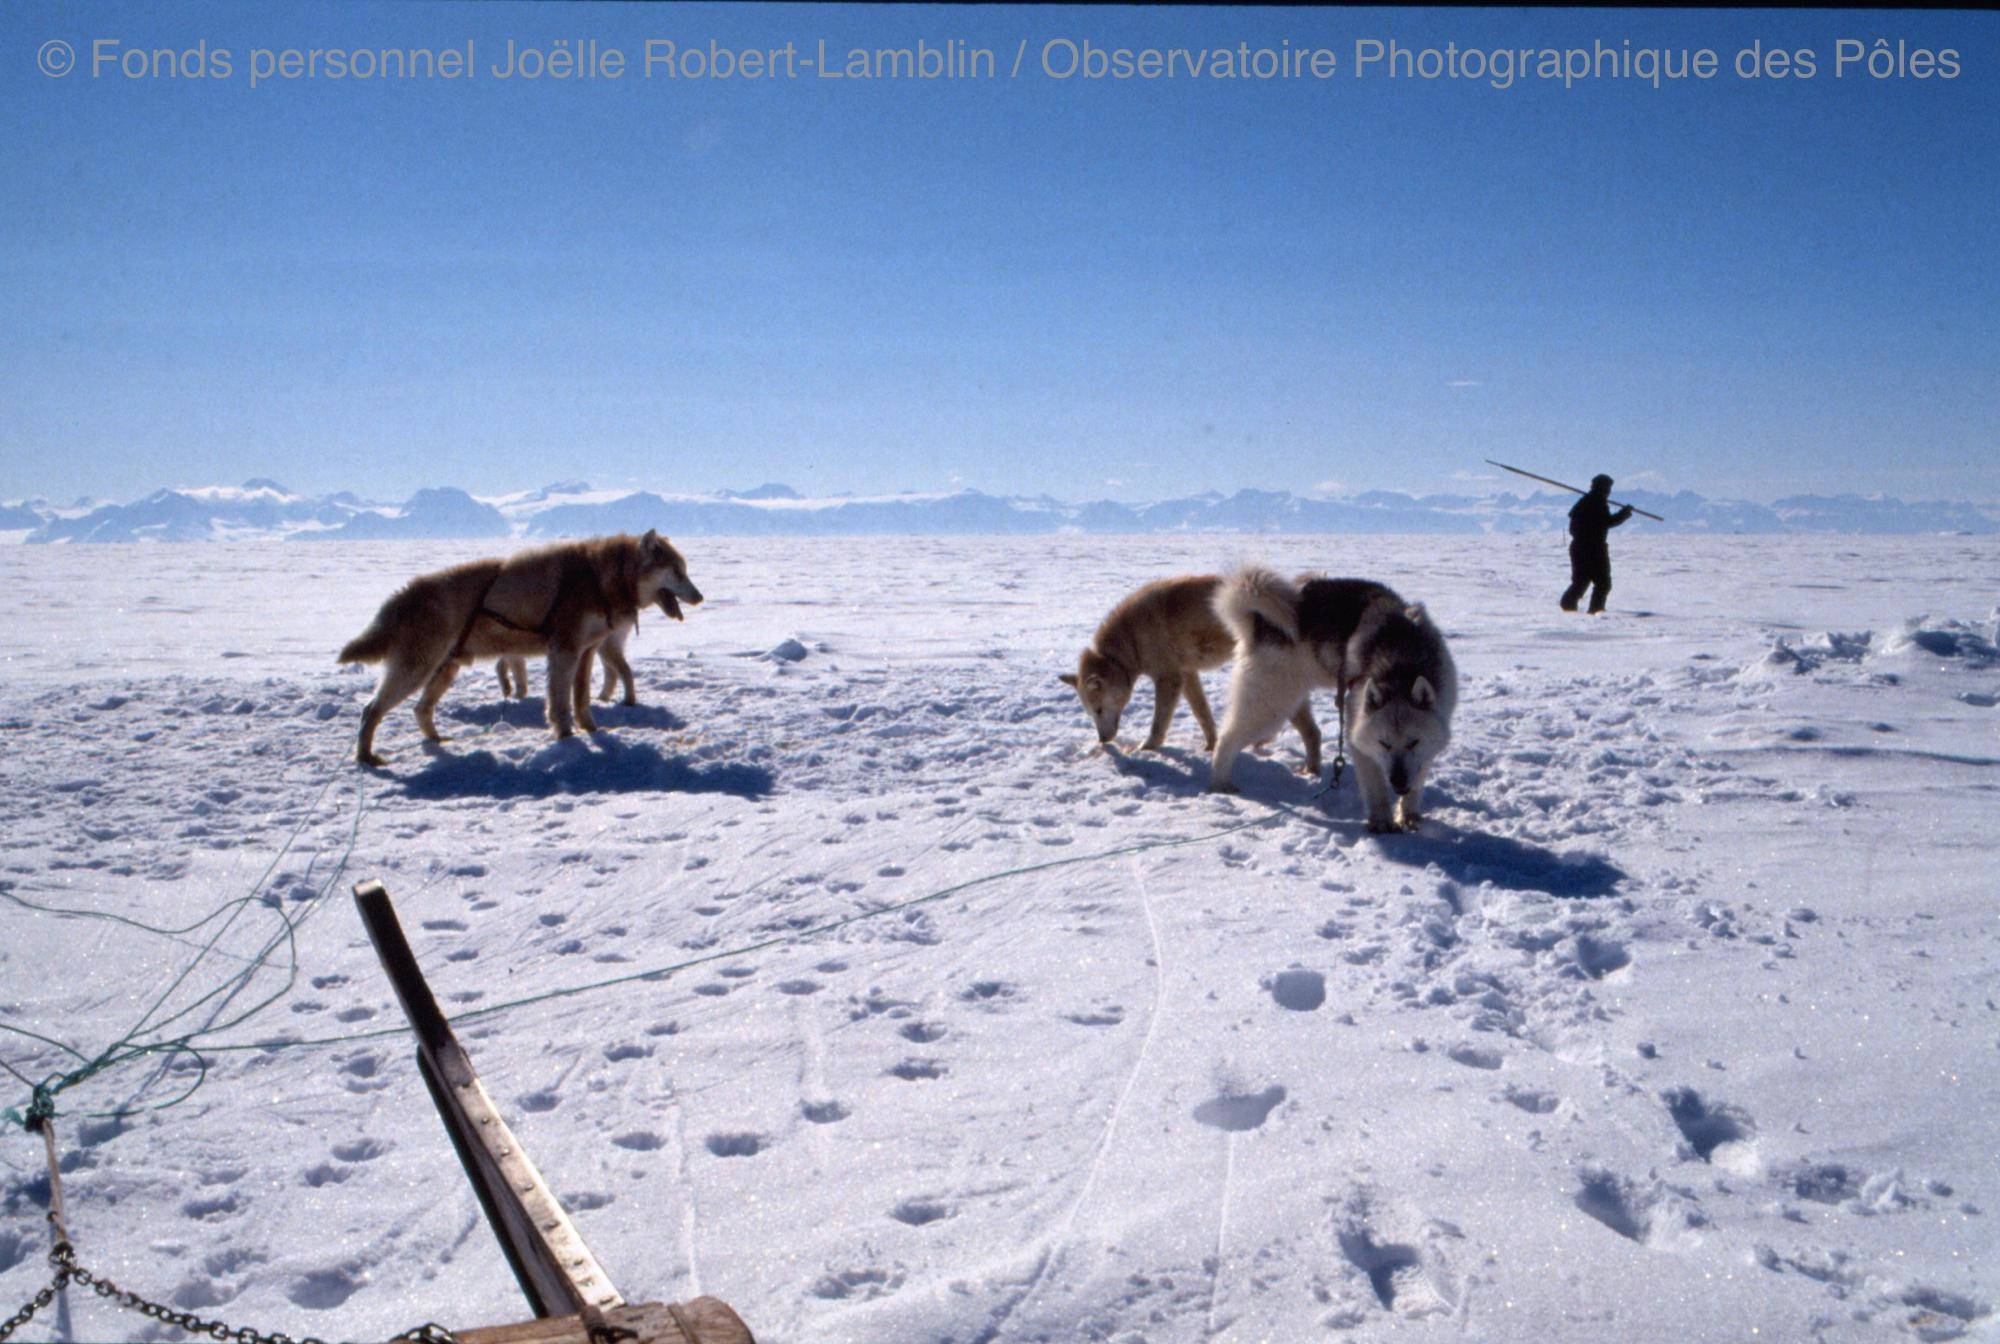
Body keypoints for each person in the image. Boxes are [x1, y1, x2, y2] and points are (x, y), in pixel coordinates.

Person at [1559, 474, 1633, 614]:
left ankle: (1572, 606)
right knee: (1602, 583)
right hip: (1593, 549)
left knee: (1582, 581)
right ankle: (1593, 612)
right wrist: (1625, 513)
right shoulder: (1596, 502)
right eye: (1608, 488)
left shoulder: (1587, 501)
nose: (1609, 491)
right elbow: (1606, 522)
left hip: (1581, 547)